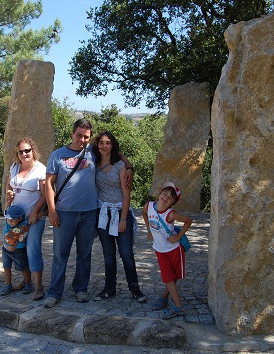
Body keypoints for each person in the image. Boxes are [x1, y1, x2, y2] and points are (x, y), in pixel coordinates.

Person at [43, 119, 132, 308]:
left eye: (86, 137)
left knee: (84, 254)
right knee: (60, 255)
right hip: (65, 213)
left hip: (89, 213)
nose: (82, 140)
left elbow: (115, 152)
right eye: (79, 135)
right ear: (72, 134)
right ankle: (54, 292)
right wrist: (52, 211)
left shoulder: (93, 151)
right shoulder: (58, 155)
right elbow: (49, 184)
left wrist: (129, 166)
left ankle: (80, 289)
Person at [92, 131, 146, 302]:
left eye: (108, 143)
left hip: (120, 212)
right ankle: (109, 288)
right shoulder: (94, 163)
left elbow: (126, 194)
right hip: (103, 213)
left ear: (112, 145)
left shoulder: (120, 166)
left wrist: (123, 219)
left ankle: (134, 288)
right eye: (101, 143)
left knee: (126, 253)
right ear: (97, 145)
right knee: (108, 253)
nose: (104, 146)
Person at [142, 182, 193, 319]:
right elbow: (144, 213)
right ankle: (178, 306)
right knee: (167, 277)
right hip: (159, 250)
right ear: (160, 193)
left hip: (174, 250)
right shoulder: (148, 206)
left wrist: (178, 236)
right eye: (165, 193)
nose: (166, 197)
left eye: (170, 198)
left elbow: (188, 221)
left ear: (172, 203)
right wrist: (148, 229)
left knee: (173, 277)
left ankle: (166, 298)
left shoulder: (171, 214)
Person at [5, 138, 47, 301]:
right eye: (20, 151)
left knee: (32, 249)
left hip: (33, 217)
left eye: (27, 150)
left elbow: (45, 194)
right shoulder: (15, 167)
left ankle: (38, 287)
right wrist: (9, 193)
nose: (24, 154)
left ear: (33, 150)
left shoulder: (40, 170)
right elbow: (9, 185)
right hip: (16, 218)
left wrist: (35, 212)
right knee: (17, 248)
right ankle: (27, 281)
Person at [0, 204, 32, 296]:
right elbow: (5, 209)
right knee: (6, 267)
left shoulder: (24, 223)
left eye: (13, 219)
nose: (10, 221)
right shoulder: (7, 223)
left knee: (23, 267)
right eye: (8, 219)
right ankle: (8, 285)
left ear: (20, 218)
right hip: (5, 250)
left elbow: (33, 218)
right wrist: (8, 201)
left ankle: (28, 283)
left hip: (18, 251)